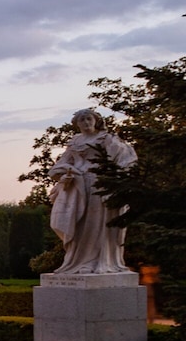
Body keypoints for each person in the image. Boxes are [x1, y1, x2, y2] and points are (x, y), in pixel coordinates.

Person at [48, 108, 138, 275]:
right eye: (82, 120)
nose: (86, 122)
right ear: (77, 124)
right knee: (80, 227)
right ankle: (79, 261)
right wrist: (66, 174)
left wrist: (115, 179)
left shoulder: (107, 138)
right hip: (78, 187)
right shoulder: (74, 142)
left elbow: (126, 159)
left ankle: (97, 261)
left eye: (89, 118)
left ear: (96, 120)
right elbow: (57, 168)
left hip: (101, 186)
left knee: (96, 224)